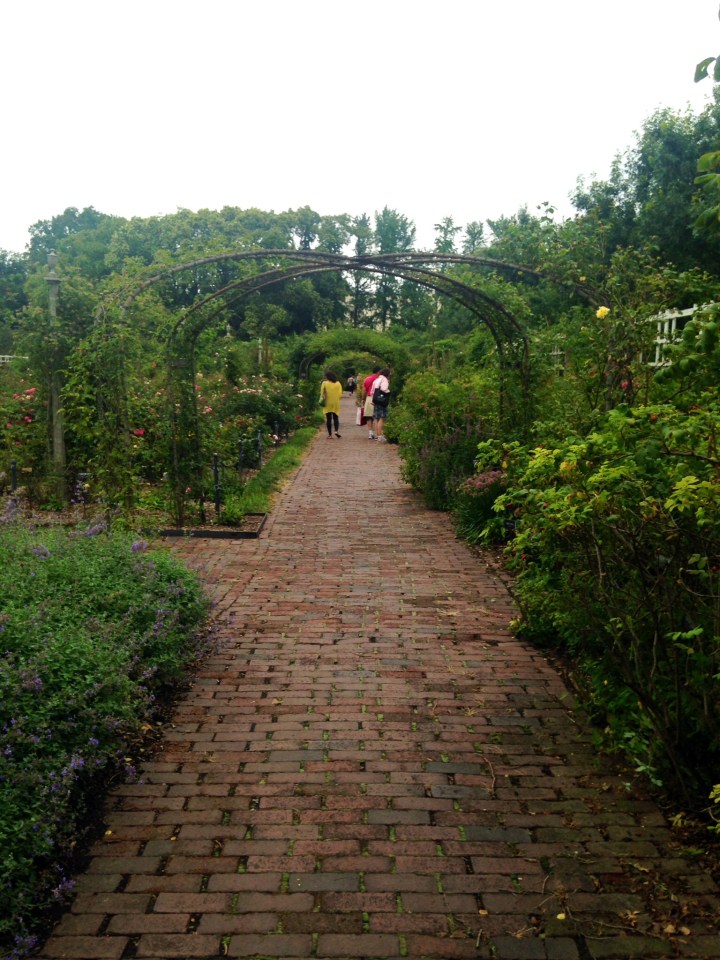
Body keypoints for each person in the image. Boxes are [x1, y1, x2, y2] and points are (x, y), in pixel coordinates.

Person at [320, 370, 343, 439]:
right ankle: (336, 431)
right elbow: (340, 394)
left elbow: (322, 393)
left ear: (327, 377)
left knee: (328, 419)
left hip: (327, 402)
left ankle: (330, 435)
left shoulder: (324, 383)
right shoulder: (338, 383)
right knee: (336, 418)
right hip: (336, 402)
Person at [371, 367, 391, 442]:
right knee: (382, 418)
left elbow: (372, 391)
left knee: (377, 418)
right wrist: (388, 391)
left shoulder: (377, 379)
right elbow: (384, 389)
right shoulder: (384, 380)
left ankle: (378, 435)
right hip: (382, 401)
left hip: (375, 400)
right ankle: (380, 436)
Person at [362, 366, 381, 440]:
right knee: (378, 417)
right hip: (378, 398)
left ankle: (370, 433)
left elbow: (364, 390)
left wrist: (363, 399)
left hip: (369, 398)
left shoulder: (367, 379)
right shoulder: (380, 379)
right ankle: (378, 434)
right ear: (378, 371)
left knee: (369, 416)